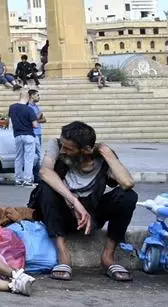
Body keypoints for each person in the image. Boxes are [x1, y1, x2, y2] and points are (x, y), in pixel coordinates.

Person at [29, 121, 137, 283]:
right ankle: (64, 256)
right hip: (62, 213)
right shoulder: (56, 145)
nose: (62, 151)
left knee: (128, 195)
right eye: (62, 146)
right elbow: (45, 171)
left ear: (86, 150)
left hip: (90, 216)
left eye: (68, 149)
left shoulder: (102, 157)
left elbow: (127, 183)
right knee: (45, 187)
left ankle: (108, 257)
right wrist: (73, 200)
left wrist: (106, 151)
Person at [9, 90, 40, 186]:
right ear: (27, 97)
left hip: (17, 135)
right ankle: (27, 179)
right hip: (28, 135)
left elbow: (10, 121)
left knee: (18, 157)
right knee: (28, 158)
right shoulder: (29, 109)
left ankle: (18, 179)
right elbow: (35, 125)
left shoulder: (12, 107)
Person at [29, 89, 46, 185]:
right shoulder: (28, 107)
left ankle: (37, 176)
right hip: (33, 133)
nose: (39, 97)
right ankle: (36, 176)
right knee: (36, 156)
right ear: (31, 96)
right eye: (37, 95)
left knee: (39, 155)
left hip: (39, 133)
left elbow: (44, 119)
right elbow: (33, 120)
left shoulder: (36, 107)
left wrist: (36, 118)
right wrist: (37, 117)